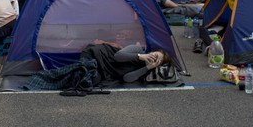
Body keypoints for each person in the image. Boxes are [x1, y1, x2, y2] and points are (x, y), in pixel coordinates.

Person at [24, 41, 174, 92]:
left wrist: (147, 67)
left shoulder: (142, 71)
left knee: (89, 80)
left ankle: (48, 82)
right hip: (95, 55)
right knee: (86, 69)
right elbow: (118, 56)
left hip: (103, 72)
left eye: (157, 61)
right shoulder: (137, 50)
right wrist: (141, 57)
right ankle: (43, 80)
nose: (153, 58)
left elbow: (127, 79)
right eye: (155, 55)